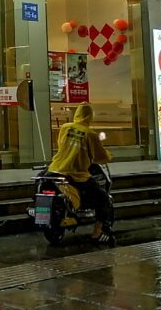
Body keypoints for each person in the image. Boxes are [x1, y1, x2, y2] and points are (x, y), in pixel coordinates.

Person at [46, 102, 112, 240]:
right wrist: (109, 155)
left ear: (76, 114)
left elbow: (61, 145)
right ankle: (98, 232)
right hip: (76, 175)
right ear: (90, 117)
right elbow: (100, 157)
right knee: (103, 198)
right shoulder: (90, 134)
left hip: (54, 169)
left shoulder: (65, 127)